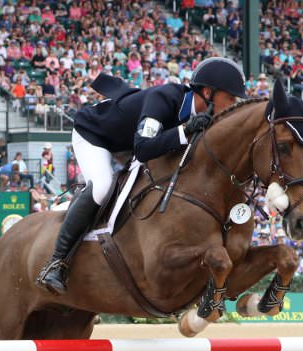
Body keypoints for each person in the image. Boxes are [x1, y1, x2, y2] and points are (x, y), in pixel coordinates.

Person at [36, 57, 247, 294]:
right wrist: (185, 130)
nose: (233, 105)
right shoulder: (165, 99)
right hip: (95, 135)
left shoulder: (205, 116)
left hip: (133, 142)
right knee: (103, 186)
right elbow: (144, 148)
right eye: (230, 98)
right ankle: (56, 262)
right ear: (208, 92)